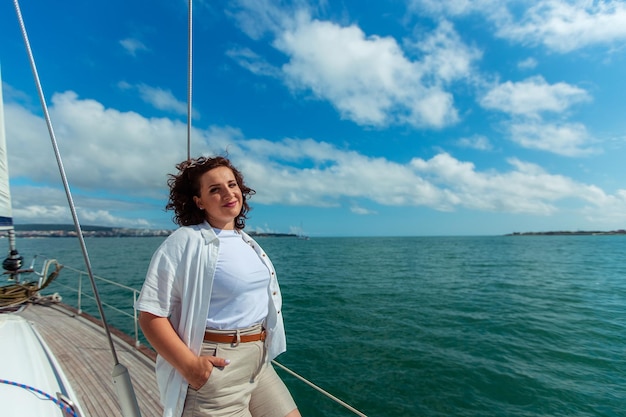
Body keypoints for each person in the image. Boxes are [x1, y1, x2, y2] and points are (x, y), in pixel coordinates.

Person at [136, 155, 301, 417]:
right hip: (217, 367)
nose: (228, 193)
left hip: (258, 361)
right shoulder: (184, 241)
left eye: (232, 184)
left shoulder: (246, 242)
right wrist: (191, 367)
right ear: (198, 201)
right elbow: (150, 315)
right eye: (215, 189)